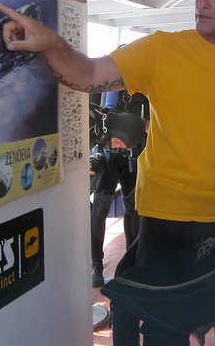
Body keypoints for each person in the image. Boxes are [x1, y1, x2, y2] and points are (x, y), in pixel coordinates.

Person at [0, 0, 215, 346]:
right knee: (162, 330)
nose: (201, 1)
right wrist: (51, 42)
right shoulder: (161, 49)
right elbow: (85, 73)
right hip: (167, 222)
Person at [89, 90, 148, 287]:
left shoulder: (143, 87)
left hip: (132, 155)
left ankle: (131, 261)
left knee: (133, 209)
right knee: (100, 210)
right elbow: (106, 112)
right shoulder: (113, 82)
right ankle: (96, 265)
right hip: (108, 155)